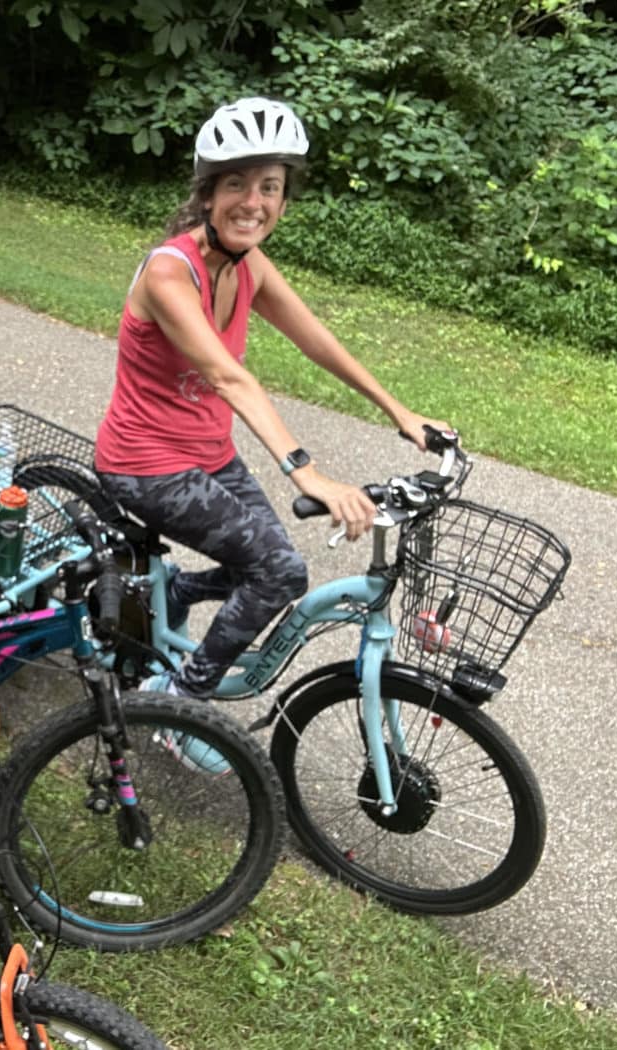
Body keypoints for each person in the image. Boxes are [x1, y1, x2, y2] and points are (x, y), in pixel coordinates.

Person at [95, 98, 451, 730]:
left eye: (269, 187)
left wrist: (398, 411)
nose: (252, 202)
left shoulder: (248, 265)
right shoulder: (170, 273)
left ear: (284, 202)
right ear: (208, 194)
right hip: (145, 464)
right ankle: (180, 703)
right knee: (277, 570)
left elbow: (316, 341)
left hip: (209, 455)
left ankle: (174, 592)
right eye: (236, 184)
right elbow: (229, 378)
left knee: (276, 571)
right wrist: (307, 473)